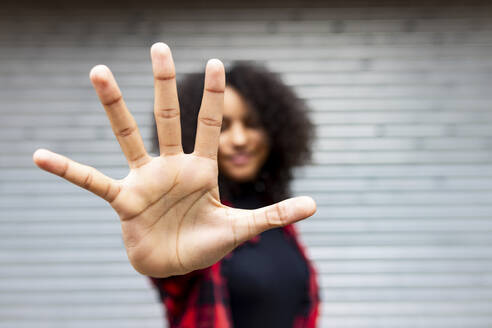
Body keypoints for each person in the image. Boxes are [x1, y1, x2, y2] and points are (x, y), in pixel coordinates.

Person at [32, 42, 319, 327]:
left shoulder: (276, 217)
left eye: (252, 124)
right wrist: (168, 260)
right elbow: (180, 276)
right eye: (224, 126)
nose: (240, 139)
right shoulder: (193, 218)